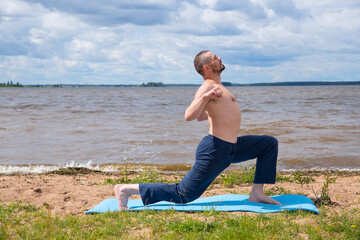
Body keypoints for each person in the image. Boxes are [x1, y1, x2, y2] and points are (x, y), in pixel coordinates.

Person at [114, 50, 281, 209]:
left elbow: (202, 115)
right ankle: (126, 189)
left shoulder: (218, 86)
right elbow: (189, 115)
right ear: (206, 68)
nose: (220, 58)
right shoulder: (207, 87)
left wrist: (208, 105)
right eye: (215, 58)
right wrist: (205, 97)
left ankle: (257, 193)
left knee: (268, 144)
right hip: (215, 150)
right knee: (183, 194)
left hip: (232, 147)